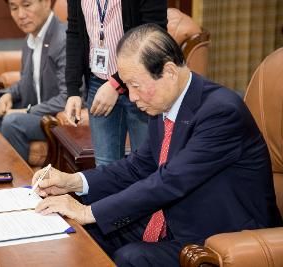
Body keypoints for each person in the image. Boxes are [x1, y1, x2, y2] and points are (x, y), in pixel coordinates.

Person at [32, 24, 283, 266]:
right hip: (174, 217)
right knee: (82, 234)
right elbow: (137, 167)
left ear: (170, 72)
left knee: (129, 256)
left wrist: (88, 212)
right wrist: (72, 182)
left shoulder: (221, 112)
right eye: (127, 86)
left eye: (136, 86)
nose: (131, 97)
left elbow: (170, 181)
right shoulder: (163, 105)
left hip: (223, 233)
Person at [64, 0, 168, 166]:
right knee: (105, 166)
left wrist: (116, 82)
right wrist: (73, 90)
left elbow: (155, 37)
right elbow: (74, 33)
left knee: (146, 166)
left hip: (140, 85)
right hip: (98, 83)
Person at [0, 0, 67, 161]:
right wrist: (9, 95)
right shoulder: (31, 38)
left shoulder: (63, 39)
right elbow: (27, 81)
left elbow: (68, 97)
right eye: (14, 8)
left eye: (27, 5)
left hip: (56, 118)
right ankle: (5, 158)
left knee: (12, 122)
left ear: (47, 3)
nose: (20, 15)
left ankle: (19, 176)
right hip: (38, 109)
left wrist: (27, 111)